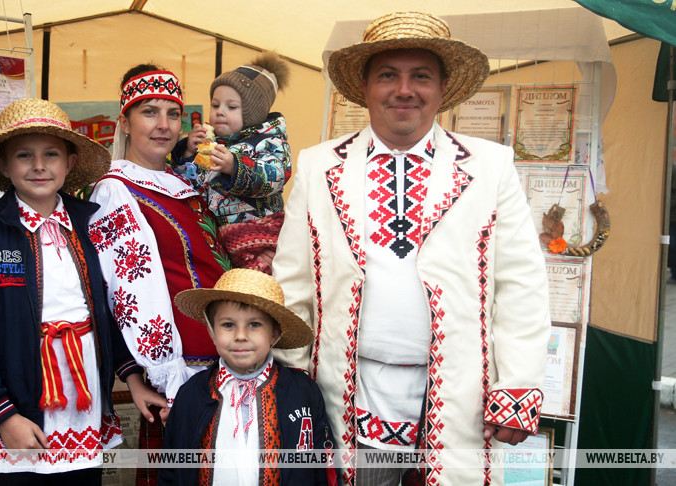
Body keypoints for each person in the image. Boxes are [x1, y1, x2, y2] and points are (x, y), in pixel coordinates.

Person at [271, 12, 550, 485]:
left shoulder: (491, 166)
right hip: (347, 391)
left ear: (443, 89)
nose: (404, 90)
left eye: (420, 75)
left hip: (460, 396)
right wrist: (288, 383)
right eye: (388, 75)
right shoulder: (318, 166)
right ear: (365, 87)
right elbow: (293, 282)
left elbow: (522, 284)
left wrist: (517, 386)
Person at [0, 98, 165, 485]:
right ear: (3, 164)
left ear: (70, 162)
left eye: (51, 154)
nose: (39, 166)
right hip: (21, 407)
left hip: (84, 401)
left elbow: (115, 308)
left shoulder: (92, 223)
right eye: (24, 155)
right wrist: (4, 416)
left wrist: (132, 377)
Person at [87, 64, 230, 485]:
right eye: (149, 112)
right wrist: (166, 376)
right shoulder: (116, 190)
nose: (164, 125)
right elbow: (130, 294)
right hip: (182, 372)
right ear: (125, 122)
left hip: (224, 359)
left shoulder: (179, 184)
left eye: (173, 113)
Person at [161, 269, 334, 485]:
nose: (241, 336)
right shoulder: (192, 394)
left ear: (275, 334)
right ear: (212, 332)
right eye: (228, 325)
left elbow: (319, 467)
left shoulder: (302, 391)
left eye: (254, 324)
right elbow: (171, 469)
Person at [171, 52, 291, 274]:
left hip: (259, 234)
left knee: (253, 292)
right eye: (215, 105)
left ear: (253, 113)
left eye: (231, 107)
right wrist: (188, 152)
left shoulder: (270, 141)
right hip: (221, 238)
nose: (219, 112)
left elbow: (274, 176)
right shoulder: (214, 144)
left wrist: (235, 167)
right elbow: (189, 185)